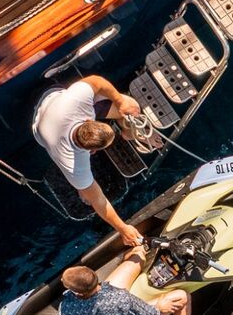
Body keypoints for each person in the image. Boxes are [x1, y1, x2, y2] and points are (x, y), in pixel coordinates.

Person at [32, 74, 147, 245]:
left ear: (88, 119)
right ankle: (82, 187)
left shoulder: (78, 100)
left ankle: (129, 132)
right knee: (87, 193)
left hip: (54, 102)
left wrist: (120, 102)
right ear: (92, 150)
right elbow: (98, 201)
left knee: (131, 106)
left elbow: (96, 81)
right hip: (40, 125)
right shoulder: (73, 163)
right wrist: (123, 229)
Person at [53, 245, 206, 315]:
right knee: (183, 297)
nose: (61, 282)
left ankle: (138, 252)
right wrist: (161, 305)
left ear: (77, 292)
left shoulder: (67, 309)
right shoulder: (121, 297)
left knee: (137, 256)